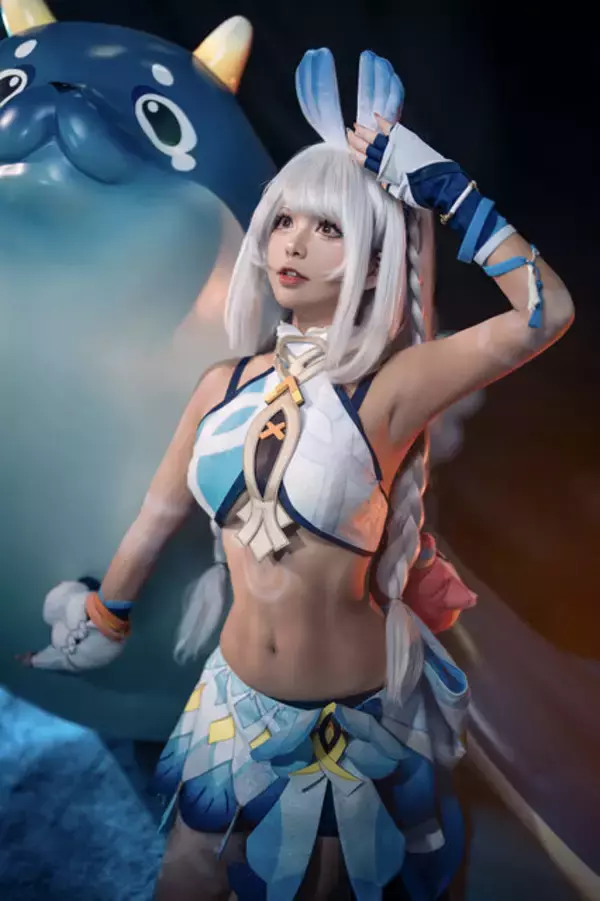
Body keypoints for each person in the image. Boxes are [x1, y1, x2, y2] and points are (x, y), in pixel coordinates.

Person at [22, 48, 574, 901]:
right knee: (185, 871)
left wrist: (450, 192)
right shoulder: (223, 383)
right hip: (230, 698)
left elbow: (545, 312)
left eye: (329, 228)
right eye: (285, 219)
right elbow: (156, 517)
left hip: (347, 718)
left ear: (373, 259)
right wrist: (104, 617)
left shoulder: (390, 390)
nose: (294, 243)